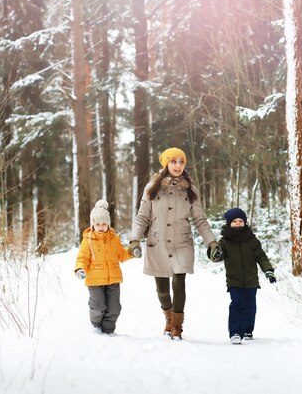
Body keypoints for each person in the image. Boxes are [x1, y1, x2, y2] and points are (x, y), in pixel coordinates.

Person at [128, 147, 219, 340]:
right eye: (174, 161)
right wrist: (134, 239)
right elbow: (142, 217)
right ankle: (168, 319)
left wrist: (212, 243)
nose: (178, 165)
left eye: (181, 162)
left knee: (179, 283)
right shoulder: (152, 187)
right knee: (162, 290)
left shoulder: (189, 189)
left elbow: (200, 219)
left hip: (181, 242)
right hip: (157, 242)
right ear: (166, 163)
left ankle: (177, 327)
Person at [209, 207, 276, 345]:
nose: (238, 223)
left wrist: (268, 270)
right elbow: (217, 256)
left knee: (250, 306)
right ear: (229, 223)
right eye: (235, 221)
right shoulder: (224, 241)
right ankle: (235, 332)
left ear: (245, 222)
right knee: (237, 304)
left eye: (241, 221)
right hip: (234, 280)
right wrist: (215, 253)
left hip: (251, 280)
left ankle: (247, 330)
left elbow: (261, 257)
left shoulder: (252, 240)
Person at [75, 199, 139, 334]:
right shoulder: (88, 240)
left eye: (104, 224)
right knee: (98, 306)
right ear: (93, 224)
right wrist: (80, 269)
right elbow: (82, 257)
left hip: (113, 279)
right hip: (95, 280)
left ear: (108, 224)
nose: (101, 226)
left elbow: (121, 255)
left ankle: (108, 332)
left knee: (115, 308)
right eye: (97, 224)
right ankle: (96, 328)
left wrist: (132, 253)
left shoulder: (114, 239)